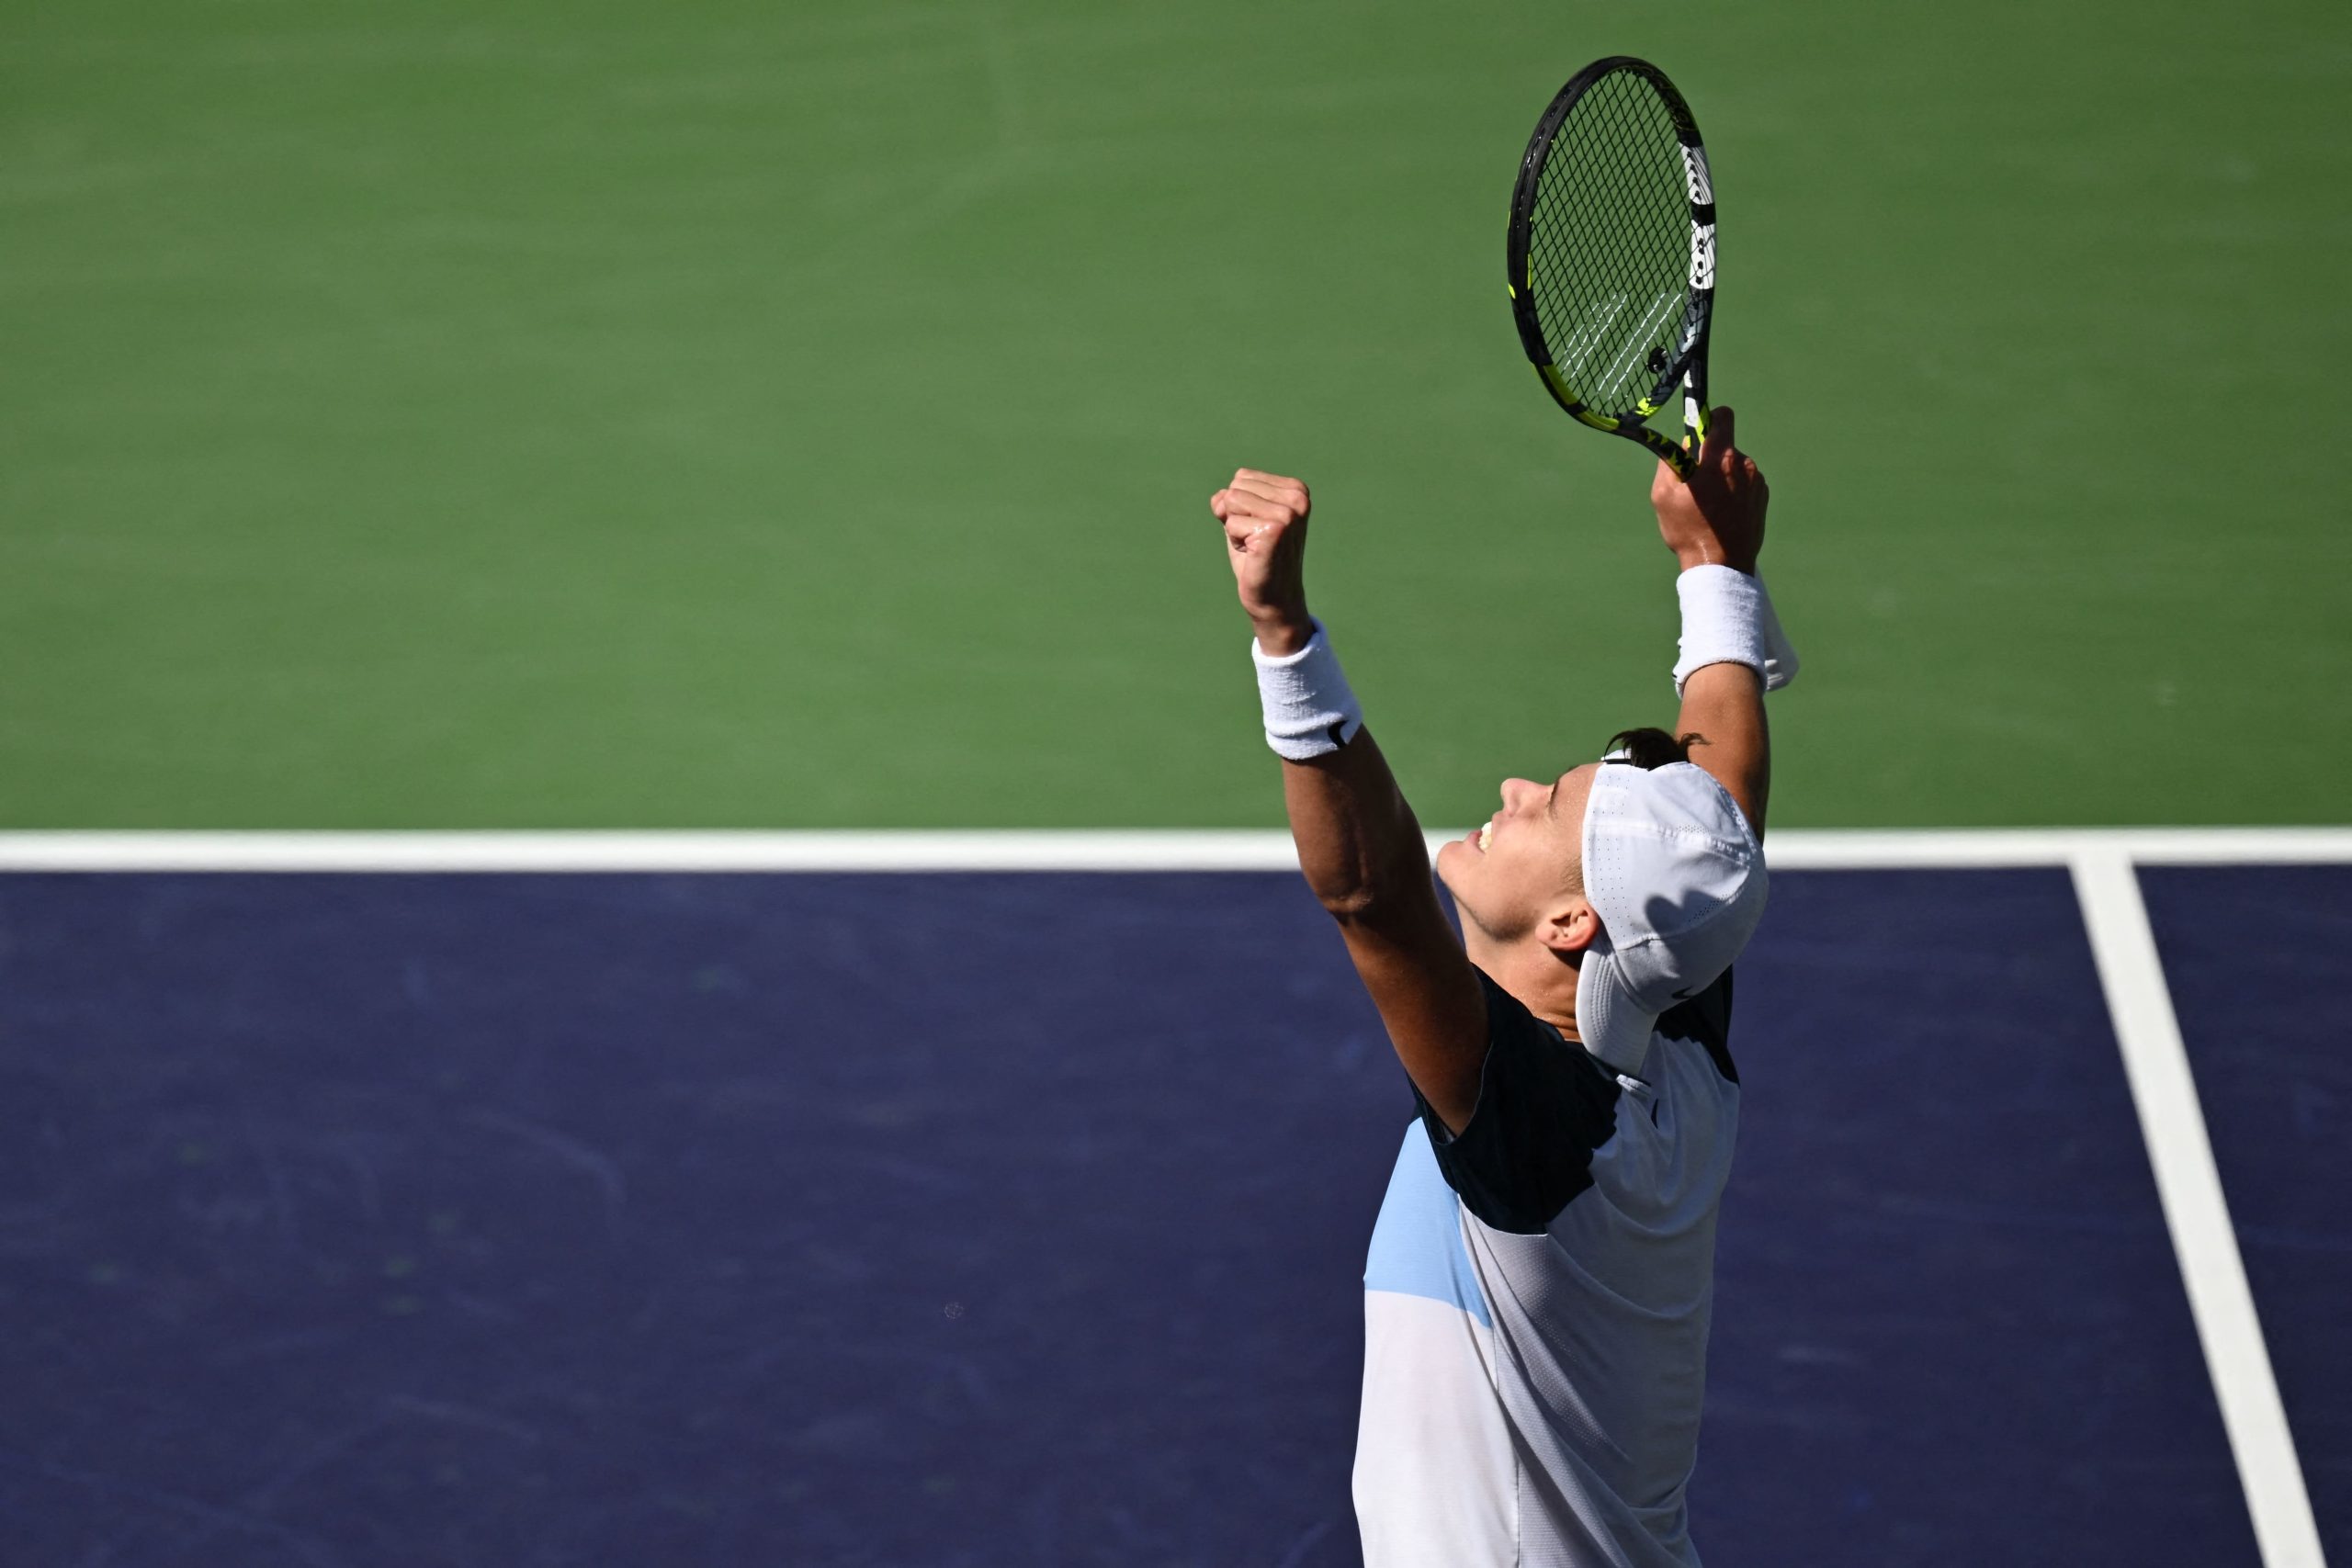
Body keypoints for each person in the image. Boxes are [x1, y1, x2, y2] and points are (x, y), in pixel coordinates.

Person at [1209, 410, 1796, 1566]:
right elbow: (1712, 832)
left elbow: (1373, 901)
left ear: (1575, 923)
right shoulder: (1669, 1043)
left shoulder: (1542, 1133)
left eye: (1555, 807)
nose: (1517, 786)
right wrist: (1710, 567)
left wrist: (1285, 638)